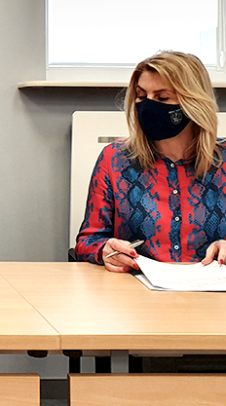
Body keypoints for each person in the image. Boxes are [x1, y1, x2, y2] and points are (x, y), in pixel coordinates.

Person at [76, 51, 226, 272]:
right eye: (141, 96)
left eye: (162, 98)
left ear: (193, 102)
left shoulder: (223, 161)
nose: (148, 106)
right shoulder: (115, 159)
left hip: (211, 289)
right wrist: (104, 250)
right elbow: (86, 242)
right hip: (135, 287)